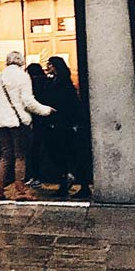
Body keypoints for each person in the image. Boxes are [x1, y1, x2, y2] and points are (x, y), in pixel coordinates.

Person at [0, 50, 54, 200]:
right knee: (20, 156)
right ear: (21, 61)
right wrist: (45, 110)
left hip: (1, 121)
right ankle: (20, 191)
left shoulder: (0, 76)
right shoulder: (23, 77)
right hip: (17, 122)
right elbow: (27, 101)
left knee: (5, 156)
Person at [44, 56, 92, 199]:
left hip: (64, 124)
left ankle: (77, 185)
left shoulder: (62, 83)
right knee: (67, 155)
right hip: (63, 124)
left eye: (50, 64)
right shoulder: (60, 81)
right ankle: (71, 184)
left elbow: (68, 104)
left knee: (69, 155)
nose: (48, 67)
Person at [24, 61, 52, 187]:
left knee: (34, 149)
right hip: (47, 119)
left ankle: (36, 176)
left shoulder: (33, 83)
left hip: (37, 119)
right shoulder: (48, 81)